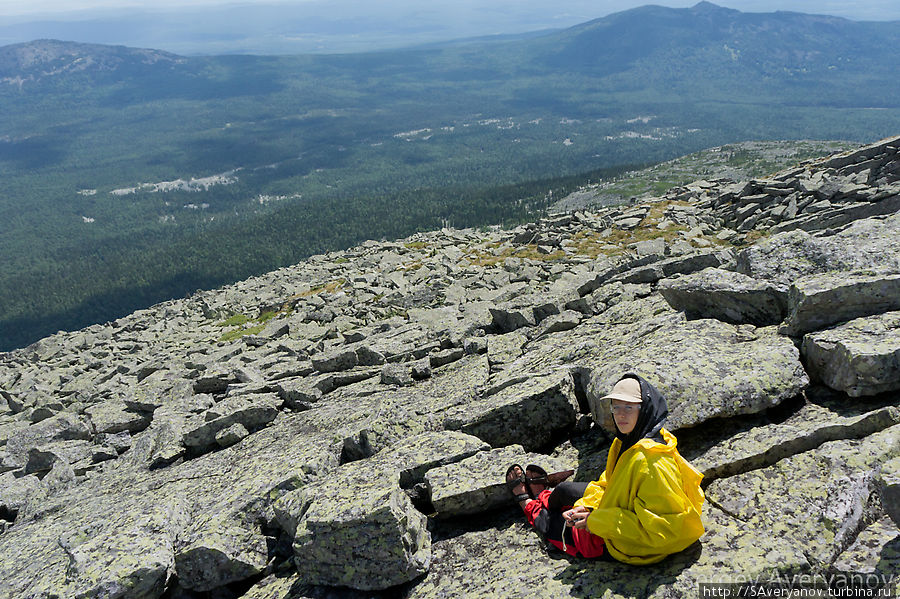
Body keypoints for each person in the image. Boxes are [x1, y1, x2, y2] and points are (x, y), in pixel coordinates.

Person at [505, 373, 705, 564]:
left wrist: (595, 520)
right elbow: (614, 482)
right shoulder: (631, 440)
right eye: (616, 407)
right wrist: (589, 506)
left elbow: (665, 531)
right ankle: (545, 497)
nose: (620, 415)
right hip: (617, 504)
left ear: (644, 409)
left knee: (557, 525)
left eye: (629, 408)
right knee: (565, 491)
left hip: (631, 545)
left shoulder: (652, 464)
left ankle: (528, 503)